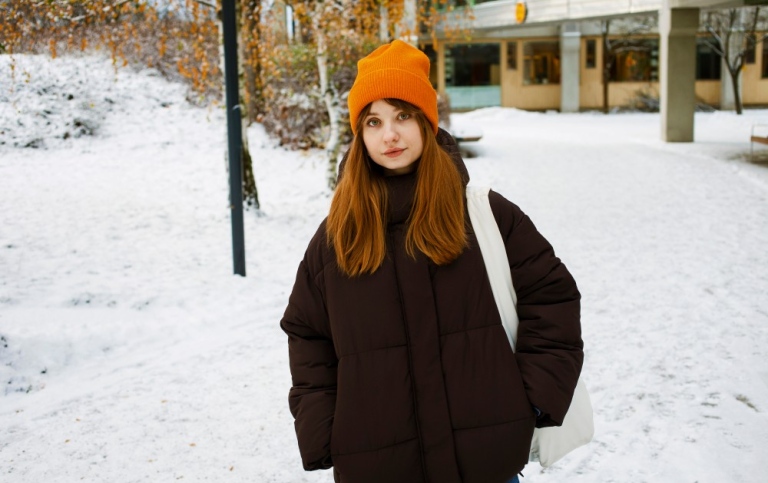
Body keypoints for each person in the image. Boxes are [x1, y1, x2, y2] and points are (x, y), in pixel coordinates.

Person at [281, 39, 583, 483]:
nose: (390, 134)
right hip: (378, 468)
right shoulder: (336, 238)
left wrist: (529, 401)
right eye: (374, 121)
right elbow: (307, 335)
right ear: (360, 134)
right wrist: (324, 432)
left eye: (403, 115)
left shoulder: (485, 215)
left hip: (486, 465)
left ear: (426, 121)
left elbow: (552, 298)